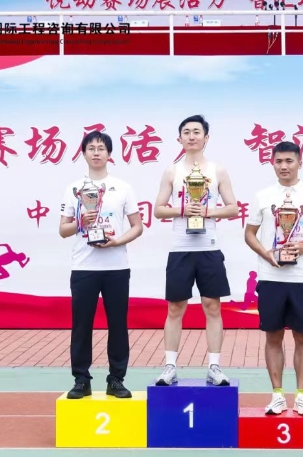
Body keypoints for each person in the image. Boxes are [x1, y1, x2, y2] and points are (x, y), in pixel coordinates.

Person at [244, 141, 303, 416]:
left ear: (299, 163)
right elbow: (249, 234)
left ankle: (302, 396)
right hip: (271, 277)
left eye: (289, 161)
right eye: (279, 161)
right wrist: (266, 254)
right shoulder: (262, 196)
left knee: (302, 336)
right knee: (273, 336)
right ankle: (277, 395)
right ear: (272, 163)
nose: (284, 166)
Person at [153, 115, 239, 386]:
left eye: (197, 132)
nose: (192, 136)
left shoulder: (218, 170)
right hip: (180, 248)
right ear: (179, 139)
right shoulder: (172, 171)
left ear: (206, 137)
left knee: (212, 306)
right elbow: (158, 209)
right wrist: (182, 209)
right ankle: (170, 366)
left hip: (209, 248)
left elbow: (233, 208)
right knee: (175, 307)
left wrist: (206, 211)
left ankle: (214, 366)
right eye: (187, 132)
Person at [59, 130, 144, 399]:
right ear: (83, 154)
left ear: (109, 154)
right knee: (81, 325)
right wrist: (80, 223)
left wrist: (118, 241)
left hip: (116, 267)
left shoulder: (123, 188)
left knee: (117, 324)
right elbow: (63, 230)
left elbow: (137, 226)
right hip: (84, 267)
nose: (96, 153)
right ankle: (81, 380)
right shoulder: (74, 189)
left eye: (101, 148)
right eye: (91, 148)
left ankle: (116, 379)